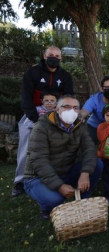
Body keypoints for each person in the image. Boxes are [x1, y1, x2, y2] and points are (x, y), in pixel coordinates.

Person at [23, 95, 103, 220]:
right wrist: (59, 186)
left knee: (97, 164)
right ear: (57, 109)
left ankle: (83, 199)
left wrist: (85, 173)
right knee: (56, 199)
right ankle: (46, 210)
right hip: (37, 177)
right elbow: (39, 160)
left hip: (65, 170)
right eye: (67, 107)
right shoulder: (41, 127)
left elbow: (89, 149)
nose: (72, 111)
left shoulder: (80, 126)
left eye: (76, 108)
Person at [14, 45, 74, 196]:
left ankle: (55, 179)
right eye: (51, 55)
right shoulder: (32, 72)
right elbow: (26, 97)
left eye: (57, 56)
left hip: (57, 117)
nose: (54, 58)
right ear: (44, 56)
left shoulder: (65, 76)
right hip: (33, 115)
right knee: (26, 149)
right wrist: (35, 119)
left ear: (61, 58)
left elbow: (68, 98)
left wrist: (62, 118)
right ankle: (20, 181)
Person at [12, 92, 58, 197]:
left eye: (52, 101)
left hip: (51, 138)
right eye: (46, 101)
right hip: (37, 137)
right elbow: (27, 123)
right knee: (31, 157)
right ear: (42, 101)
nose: (49, 103)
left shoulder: (57, 112)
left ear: (56, 102)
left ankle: (48, 179)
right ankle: (25, 179)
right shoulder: (38, 110)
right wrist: (38, 126)